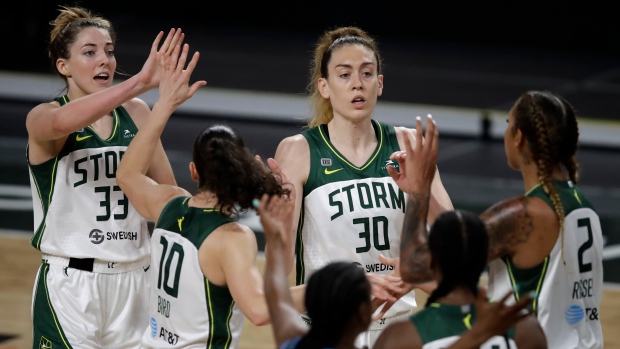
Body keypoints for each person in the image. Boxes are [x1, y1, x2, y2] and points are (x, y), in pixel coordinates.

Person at [115, 40, 309, 348]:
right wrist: (331, 287)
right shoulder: (231, 237)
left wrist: (163, 105)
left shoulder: (168, 205)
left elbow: (127, 174)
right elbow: (259, 310)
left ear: (194, 171)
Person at [272, 25, 453, 348]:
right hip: (330, 329)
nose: (357, 83)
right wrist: (277, 222)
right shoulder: (299, 151)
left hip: (396, 329)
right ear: (324, 87)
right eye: (345, 75)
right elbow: (283, 266)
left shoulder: (409, 144)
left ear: (379, 84)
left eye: (367, 73)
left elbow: (454, 243)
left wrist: (421, 192)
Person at [392, 91, 604, 348]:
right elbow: (465, 241)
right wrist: (429, 199)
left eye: (508, 125)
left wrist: (419, 192)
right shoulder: (582, 205)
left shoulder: (523, 215)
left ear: (519, 137)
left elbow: (415, 265)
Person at [26, 5, 181, 348]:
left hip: (138, 280)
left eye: (110, 51)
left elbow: (168, 199)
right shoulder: (43, 117)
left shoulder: (137, 113)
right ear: (62, 66)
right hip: (72, 286)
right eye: (90, 52)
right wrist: (140, 83)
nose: (105, 60)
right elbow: (62, 123)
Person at [256, 184, 542, 349]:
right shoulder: (527, 332)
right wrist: (479, 335)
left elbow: (276, 295)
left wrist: (276, 238)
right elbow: (277, 295)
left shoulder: (291, 341)